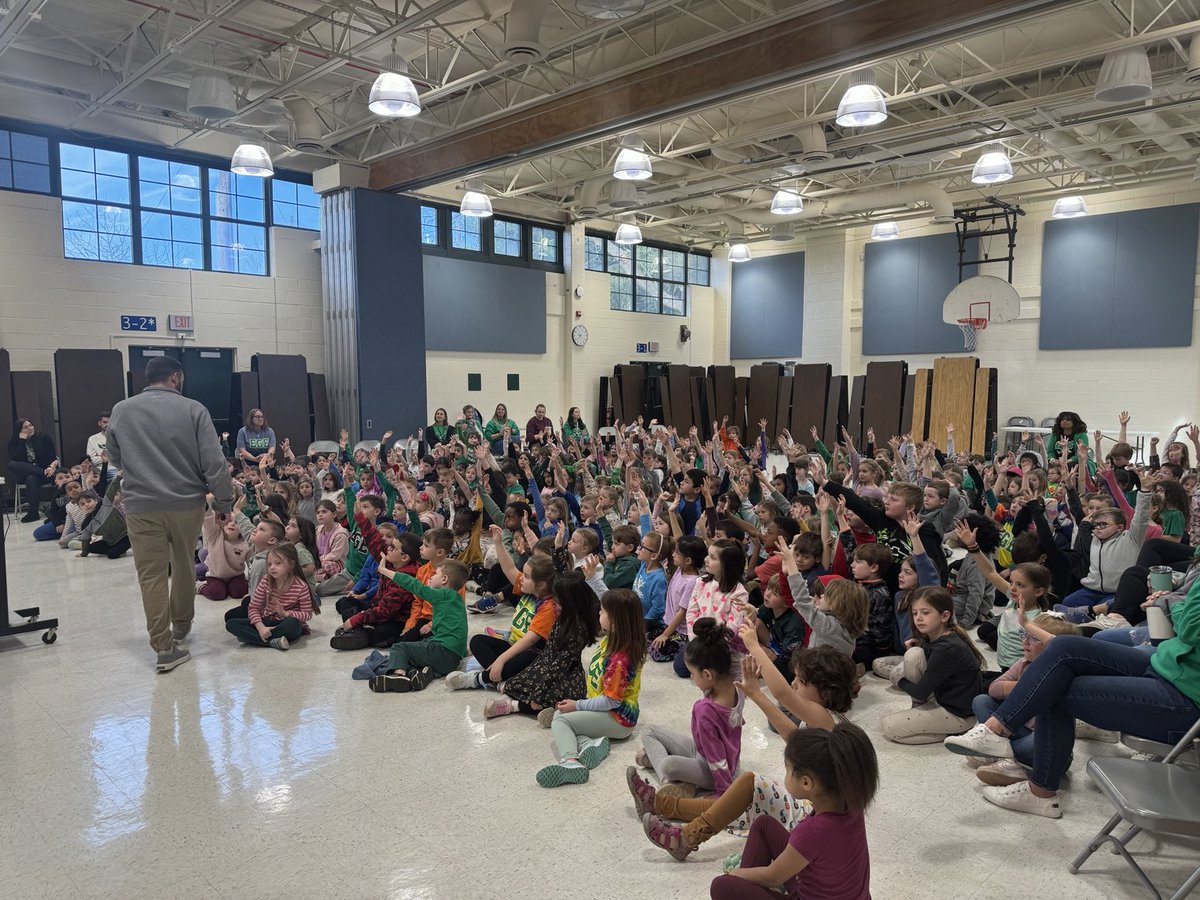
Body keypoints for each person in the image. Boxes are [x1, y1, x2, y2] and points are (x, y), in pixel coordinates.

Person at [944, 577, 1200, 818]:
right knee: (1064, 648)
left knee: (1054, 686)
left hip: (1187, 693)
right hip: (1171, 663)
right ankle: (996, 731)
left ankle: (1039, 789)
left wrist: (1174, 603)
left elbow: (1191, 628)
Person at [106, 356, 234, 673]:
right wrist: (224, 502)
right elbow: (214, 463)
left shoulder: (122, 410)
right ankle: (181, 624)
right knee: (183, 562)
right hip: (186, 503)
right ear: (176, 377)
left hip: (140, 504)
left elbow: (114, 455)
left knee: (150, 575)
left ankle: (163, 648)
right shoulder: (194, 410)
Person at [708, 723, 878, 900]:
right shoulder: (853, 805)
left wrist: (737, 873)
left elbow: (772, 876)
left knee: (721, 885)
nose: (786, 773)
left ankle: (743, 885)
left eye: (787, 768)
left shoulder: (812, 831)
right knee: (764, 825)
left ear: (806, 783)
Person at [537, 588, 646, 788]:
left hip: (618, 718)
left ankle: (570, 762)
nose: (598, 614)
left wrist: (578, 705)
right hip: (610, 712)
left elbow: (611, 701)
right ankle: (589, 744)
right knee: (565, 715)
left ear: (615, 621)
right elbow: (611, 597)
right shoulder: (613, 640)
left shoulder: (619, 659)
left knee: (561, 721)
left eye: (603, 612)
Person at [637, 618, 745, 799]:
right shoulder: (737, 684)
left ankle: (671, 783)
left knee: (667, 766)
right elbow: (738, 651)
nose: (692, 678)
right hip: (724, 758)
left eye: (692, 674)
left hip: (714, 771)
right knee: (649, 730)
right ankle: (678, 773)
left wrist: (723, 793)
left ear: (707, 674)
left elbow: (716, 758)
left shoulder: (705, 711)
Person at [881, 586, 984, 744]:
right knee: (913, 654)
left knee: (890, 726)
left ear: (944, 616)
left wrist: (899, 681)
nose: (918, 618)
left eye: (925, 612)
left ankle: (951, 733)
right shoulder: (936, 637)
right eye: (915, 613)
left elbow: (920, 692)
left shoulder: (948, 648)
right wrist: (921, 647)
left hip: (959, 715)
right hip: (940, 699)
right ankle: (928, 717)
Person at [224, 543, 314, 651]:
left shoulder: (301, 586)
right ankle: (273, 641)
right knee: (231, 624)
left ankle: (255, 638)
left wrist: (286, 613)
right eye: (269, 564)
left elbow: (307, 614)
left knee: (294, 624)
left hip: (286, 623)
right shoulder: (266, 580)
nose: (272, 567)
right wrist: (260, 627)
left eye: (277, 563)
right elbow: (253, 608)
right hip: (267, 621)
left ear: (291, 564)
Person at [8, 418, 59, 522]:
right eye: (25, 427)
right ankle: (42, 473)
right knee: (12, 464)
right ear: (19, 430)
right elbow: (17, 459)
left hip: (46, 473)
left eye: (30, 425)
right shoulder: (14, 443)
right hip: (27, 474)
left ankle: (33, 513)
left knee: (31, 478)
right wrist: (22, 441)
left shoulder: (44, 438)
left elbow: (53, 457)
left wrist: (51, 467)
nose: (29, 429)